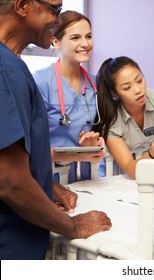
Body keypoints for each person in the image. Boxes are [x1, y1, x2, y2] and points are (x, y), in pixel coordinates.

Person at [0, 0, 111, 260]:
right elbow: (10, 183)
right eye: (54, 10)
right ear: (22, 5)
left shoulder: (12, 66)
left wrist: (44, 185)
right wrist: (74, 226)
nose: (58, 20)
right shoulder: (6, 71)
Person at [33, 10, 105, 183]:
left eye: (88, 36)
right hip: (49, 178)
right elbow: (32, 146)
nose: (85, 43)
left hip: (85, 178)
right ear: (56, 42)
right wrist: (80, 155)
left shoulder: (96, 84)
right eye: (75, 38)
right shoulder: (41, 81)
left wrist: (93, 145)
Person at [92, 56, 154, 179]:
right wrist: (152, 154)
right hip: (117, 177)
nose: (138, 90)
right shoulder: (113, 124)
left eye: (139, 80)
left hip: (151, 173)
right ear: (115, 92)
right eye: (127, 88)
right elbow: (131, 170)